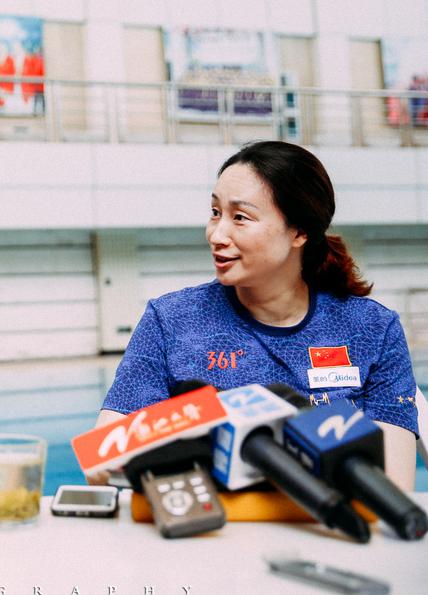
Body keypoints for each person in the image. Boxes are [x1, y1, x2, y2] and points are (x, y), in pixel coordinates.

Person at [94, 141, 419, 490]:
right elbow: (103, 460)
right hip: (210, 522)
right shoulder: (171, 320)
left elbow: (394, 483)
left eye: (240, 217)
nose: (216, 235)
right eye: (215, 212)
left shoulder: (372, 329)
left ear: (299, 231)